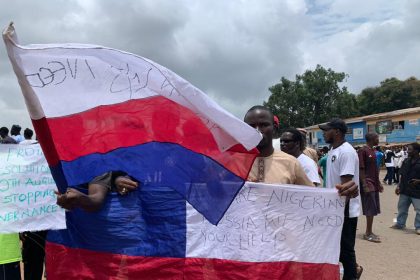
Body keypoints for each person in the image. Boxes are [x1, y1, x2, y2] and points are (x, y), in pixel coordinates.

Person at [319, 118, 362, 280]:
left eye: (326, 130)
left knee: (346, 249)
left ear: (337, 132)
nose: (323, 133)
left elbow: (346, 186)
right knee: (336, 247)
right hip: (334, 208)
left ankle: (352, 275)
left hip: (345, 210)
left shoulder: (346, 152)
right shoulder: (333, 150)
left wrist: (339, 213)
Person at [358, 132, 383, 243]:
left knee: (373, 208)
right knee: (370, 208)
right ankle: (367, 233)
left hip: (374, 182)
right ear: (372, 139)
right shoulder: (363, 151)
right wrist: (364, 184)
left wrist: (379, 183)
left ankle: (369, 231)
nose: (378, 139)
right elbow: (361, 169)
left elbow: (375, 169)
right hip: (368, 183)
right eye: (377, 137)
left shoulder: (373, 151)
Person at [391, 142, 420, 235]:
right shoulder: (406, 161)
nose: (407, 151)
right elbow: (402, 175)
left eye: (410, 149)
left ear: (416, 151)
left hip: (417, 191)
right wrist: (398, 186)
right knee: (402, 208)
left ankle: (418, 227)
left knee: (419, 210)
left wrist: (419, 181)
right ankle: (400, 224)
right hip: (405, 190)